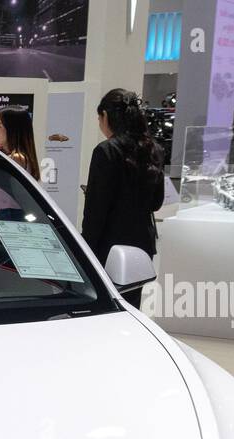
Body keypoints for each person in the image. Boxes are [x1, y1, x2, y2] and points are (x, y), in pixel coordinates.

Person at [81, 88, 164, 310]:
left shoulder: (106, 151)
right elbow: (156, 202)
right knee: (131, 308)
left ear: (106, 116)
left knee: (104, 309)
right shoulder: (153, 149)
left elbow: (95, 211)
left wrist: (85, 248)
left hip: (108, 246)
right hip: (141, 245)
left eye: (99, 118)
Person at [0, 106, 40, 221]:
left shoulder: (17, 159)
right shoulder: (17, 158)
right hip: (9, 216)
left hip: (12, 217)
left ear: (13, 129)